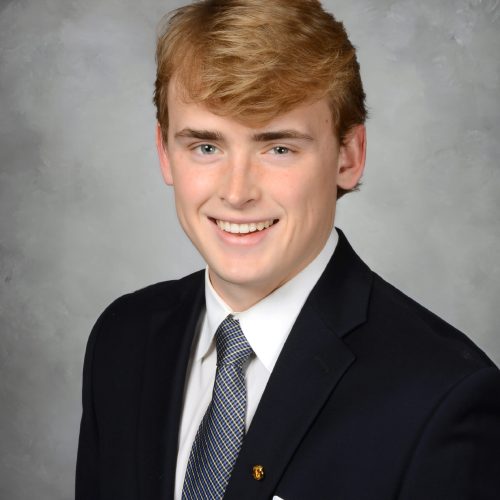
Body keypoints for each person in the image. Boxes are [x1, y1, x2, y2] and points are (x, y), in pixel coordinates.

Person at [76, 1, 500, 499]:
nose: (237, 193)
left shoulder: (442, 398)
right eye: (206, 147)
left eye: (278, 148)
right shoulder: (123, 340)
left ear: (348, 157)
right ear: (165, 152)